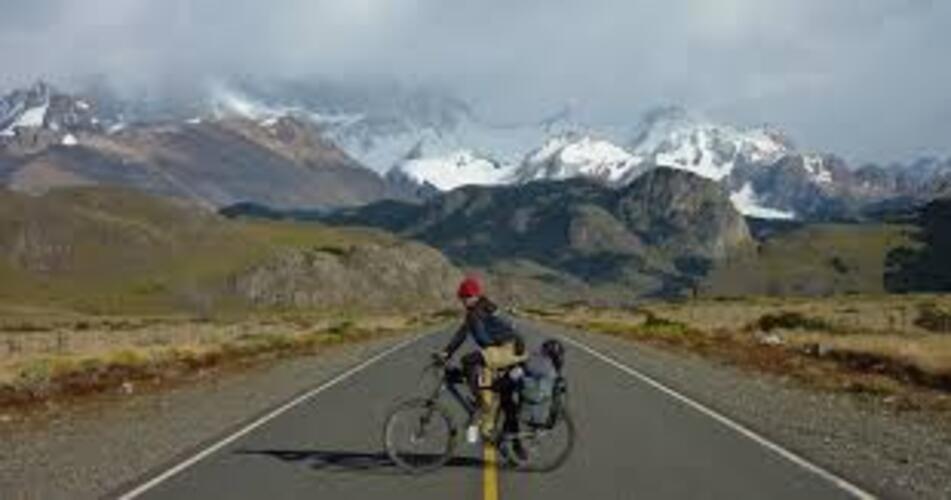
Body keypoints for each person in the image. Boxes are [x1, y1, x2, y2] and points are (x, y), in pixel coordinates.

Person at [439, 275, 525, 443]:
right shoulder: (484, 306)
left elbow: (483, 340)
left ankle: (479, 405)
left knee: (468, 361)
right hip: (513, 349)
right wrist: (447, 351)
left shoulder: (476, 312)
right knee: (504, 398)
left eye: (465, 297)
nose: (463, 301)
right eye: (462, 298)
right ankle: (515, 446)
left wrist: (447, 354)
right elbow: (463, 333)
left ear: (473, 297)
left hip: (508, 349)